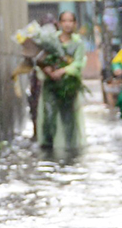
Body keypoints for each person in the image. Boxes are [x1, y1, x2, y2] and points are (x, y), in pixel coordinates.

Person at [36, 11, 88, 153]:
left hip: (68, 85)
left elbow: (78, 63)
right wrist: (46, 69)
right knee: (48, 116)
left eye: (70, 21)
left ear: (75, 24)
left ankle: (71, 150)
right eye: (64, 21)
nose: (67, 24)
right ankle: (47, 148)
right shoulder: (51, 40)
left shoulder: (77, 43)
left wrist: (63, 71)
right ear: (59, 24)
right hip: (50, 83)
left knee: (68, 118)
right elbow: (40, 58)